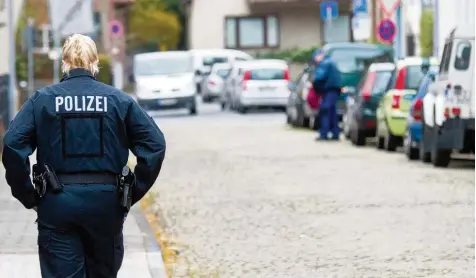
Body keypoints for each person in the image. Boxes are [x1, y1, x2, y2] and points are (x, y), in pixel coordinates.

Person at [2, 34, 166, 277]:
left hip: (57, 203)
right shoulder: (117, 100)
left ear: (64, 63)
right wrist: (131, 192)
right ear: (95, 63)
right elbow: (155, 144)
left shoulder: (43, 100)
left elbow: (13, 144)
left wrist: (29, 195)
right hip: (106, 205)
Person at [312, 49, 341, 140]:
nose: (315, 60)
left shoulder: (324, 63)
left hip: (329, 90)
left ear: (320, 55)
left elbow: (319, 77)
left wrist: (314, 85)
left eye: (316, 57)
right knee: (332, 112)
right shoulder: (331, 62)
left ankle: (324, 133)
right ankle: (335, 133)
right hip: (334, 89)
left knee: (325, 110)